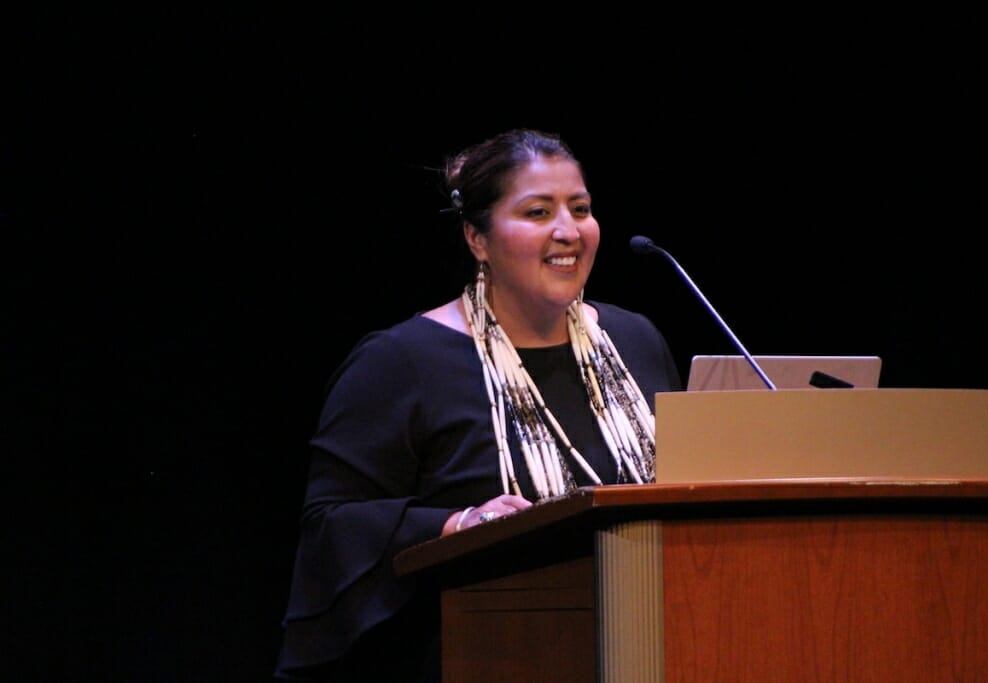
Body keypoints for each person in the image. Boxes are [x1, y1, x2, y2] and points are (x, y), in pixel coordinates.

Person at [274, 128, 683, 681]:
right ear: (477, 239)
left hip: (655, 645)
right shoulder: (401, 362)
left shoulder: (635, 341)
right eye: (538, 212)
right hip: (482, 654)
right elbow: (331, 527)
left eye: (580, 208)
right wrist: (458, 524)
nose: (569, 231)